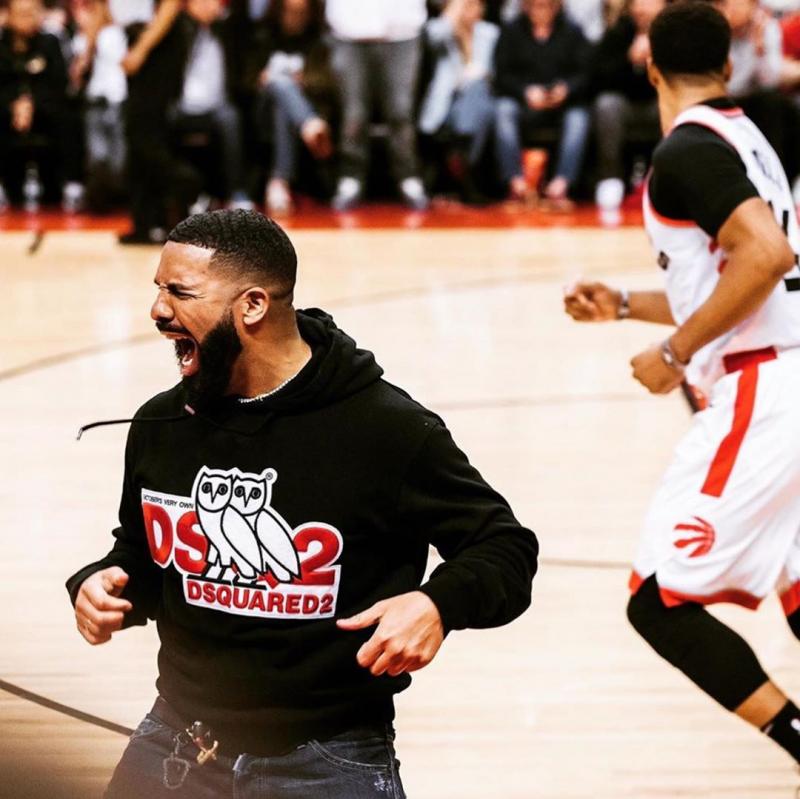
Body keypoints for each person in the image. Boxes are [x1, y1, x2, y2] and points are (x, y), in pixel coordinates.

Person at [67, 209, 538, 798]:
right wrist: (102, 586)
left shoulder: (384, 429)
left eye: (180, 292)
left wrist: (438, 602)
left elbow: (505, 548)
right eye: (158, 289)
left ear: (253, 306)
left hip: (325, 757)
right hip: (177, 739)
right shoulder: (165, 420)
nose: (158, 310)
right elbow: (141, 554)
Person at [564, 1, 800, 777]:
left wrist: (673, 350)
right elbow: (744, 275)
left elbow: (762, 257)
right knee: (794, 580)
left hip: (762, 388)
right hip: (785, 368)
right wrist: (629, 305)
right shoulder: (747, 137)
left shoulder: (687, 153)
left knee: (658, 598)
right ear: (728, 67)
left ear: (650, 67)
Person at [326, 0, 430, 211]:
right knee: (354, 113)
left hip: (403, 32)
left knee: (400, 112)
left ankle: (408, 177)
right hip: (349, 32)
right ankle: (350, 177)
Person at [493, 0, 592, 209]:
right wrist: (525, 92)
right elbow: (502, 75)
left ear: (556, 6)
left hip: (563, 104)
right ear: (526, 6)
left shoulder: (573, 31)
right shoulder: (511, 31)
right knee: (503, 110)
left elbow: (586, 73)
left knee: (578, 118)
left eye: (546, 5)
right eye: (536, 5)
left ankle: (561, 185)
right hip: (523, 102)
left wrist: (566, 90)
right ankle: (516, 184)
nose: (541, 10)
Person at [248, 0, 336, 216]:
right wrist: (260, 80)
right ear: (278, 10)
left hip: (292, 117)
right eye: (289, 12)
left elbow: (328, 83)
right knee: (279, 84)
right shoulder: (260, 38)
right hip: (260, 117)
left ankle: (279, 183)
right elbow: (240, 79)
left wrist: (305, 81)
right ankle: (309, 123)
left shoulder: (319, 43)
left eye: (301, 13)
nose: (294, 17)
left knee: (283, 105)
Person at [0, 0, 83, 211]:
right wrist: (14, 104)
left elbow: (59, 84)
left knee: (69, 118)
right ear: (8, 15)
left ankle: (73, 185)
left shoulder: (50, 42)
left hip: (46, 114)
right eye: (23, 14)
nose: (29, 19)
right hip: (8, 115)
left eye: (33, 12)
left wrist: (31, 103)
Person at [419, 0, 499, 204]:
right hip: (446, 104)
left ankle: (461, 153)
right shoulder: (441, 32)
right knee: (473, 107)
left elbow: (496, 73)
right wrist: (454, 10)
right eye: (467, 5)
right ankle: (465, 163)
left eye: (477, 5)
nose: (473, 10)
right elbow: (436, 35)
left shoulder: (490, 33)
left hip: (482, 100)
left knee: (477, 91)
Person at [591, 0, 663, 213]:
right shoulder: (618, 31)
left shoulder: (674, 32)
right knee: (607, 105)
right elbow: (599, 80)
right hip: (626, 106)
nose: (640, 8)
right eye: (636, 3)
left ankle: (666, 180)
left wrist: (655, 60)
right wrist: (629, 60)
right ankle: (610, 178)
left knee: (675, 107)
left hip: (659, 103)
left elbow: (681, 79)